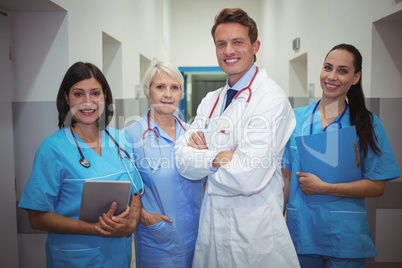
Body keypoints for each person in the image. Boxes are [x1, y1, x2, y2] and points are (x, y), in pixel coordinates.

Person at [174, 8, 299, 267]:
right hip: (212, 231)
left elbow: (248, 176)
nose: (228, 50)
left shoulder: (271, 98)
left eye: (237, 42)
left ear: (255, 46)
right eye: (221, 44)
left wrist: (204, 162)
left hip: (254, 236)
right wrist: (217, 158)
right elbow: (181, 160)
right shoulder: (210, 101)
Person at [282, 44, 401, 268]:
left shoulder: (368, 124)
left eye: (343, 70)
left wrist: (326, 188)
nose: (332, 76)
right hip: (301, 234)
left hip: (345, 237)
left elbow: (378, 186)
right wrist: (275, 220)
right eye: (328, 67)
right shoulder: (295, 119)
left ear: (356, 77)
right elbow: (285, 177)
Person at [18, 62, 143, 268]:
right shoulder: (53, 148)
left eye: (95, 93)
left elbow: (135, 194)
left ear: (105, 96)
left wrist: (129, 225)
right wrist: (94, 228)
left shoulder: (121, 140)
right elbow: (37, 218)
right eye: (78, 94)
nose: (87, 102)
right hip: (74, 258)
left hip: (118, 257)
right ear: (66, 98)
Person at [123, 62, 204, 267]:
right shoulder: (131, 136)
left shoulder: (193, 134)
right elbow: (123, 188)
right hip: (158, 238)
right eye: (160, 87)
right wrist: (142, 215)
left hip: (199, 231)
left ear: (181, 94)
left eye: (174, 87)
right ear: (148, 92)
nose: (168, 94)